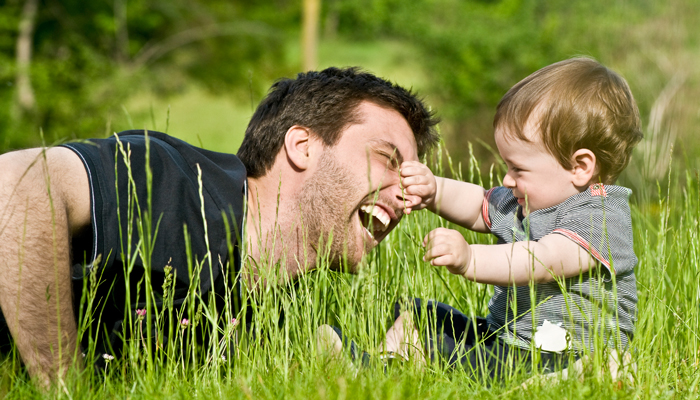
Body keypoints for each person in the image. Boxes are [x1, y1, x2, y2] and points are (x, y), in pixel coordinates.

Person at [0, 67, 439, 386]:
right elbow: (16, 182)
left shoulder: (282, 313)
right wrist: (65, 387)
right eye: (389, 160)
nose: (411, 194)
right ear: (302, 147)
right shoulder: (177, 184)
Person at [385, 57, 641, 378]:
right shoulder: (529, 199)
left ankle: (592, 372)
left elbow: (543, 260)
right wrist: (434, 189)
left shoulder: (601, 217)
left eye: (518, 168)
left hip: (558, 353)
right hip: (508, 339)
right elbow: (479, 202)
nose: (507, 179)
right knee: (419, 313)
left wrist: (469, 259)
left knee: (449, 353)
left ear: (580, 167)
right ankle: (391, 358)